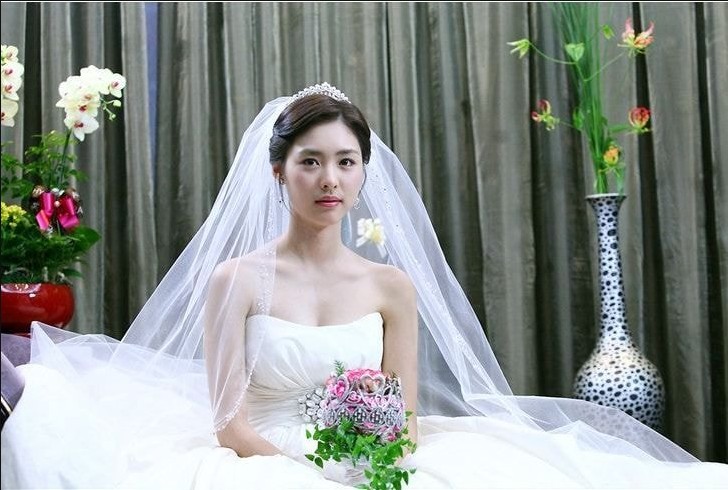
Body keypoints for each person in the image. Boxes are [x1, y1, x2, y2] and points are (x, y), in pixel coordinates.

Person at [1, 83, 726, 489]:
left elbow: (402, 418)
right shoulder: (237, 280)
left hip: (370, 461)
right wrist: (309, 472)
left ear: (363, 172)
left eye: (346, 162)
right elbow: (229, 425)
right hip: (259, 461)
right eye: (310, 162)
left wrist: (369, 464)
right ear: (279, 171)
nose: (330, 180)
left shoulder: (390, 287)